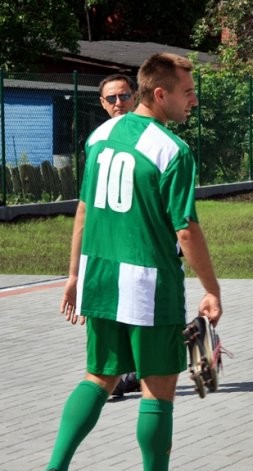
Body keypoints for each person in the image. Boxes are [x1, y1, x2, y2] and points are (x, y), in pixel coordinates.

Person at [35, 53, 222, 471]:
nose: (194, 100)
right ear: (160, 94)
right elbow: (185, 229)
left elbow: (83, 210)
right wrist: (211, 289)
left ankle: (54, 470)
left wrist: (74, 275)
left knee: (98, 377)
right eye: (187, 92)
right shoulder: (173, 150)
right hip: (148, 285)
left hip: (100, 276)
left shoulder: (100, 137)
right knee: (157, 391)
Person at [98, 73, 142, 398]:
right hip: (109, 241)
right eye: (111, 98)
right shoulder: (97, 141)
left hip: (144, 241)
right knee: (113, 308)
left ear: (135, 96)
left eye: (124, 96)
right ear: (102, 103)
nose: (118, 103)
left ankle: (130, 372)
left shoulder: (149, 135)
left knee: (141, 309)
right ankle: (120, 373)